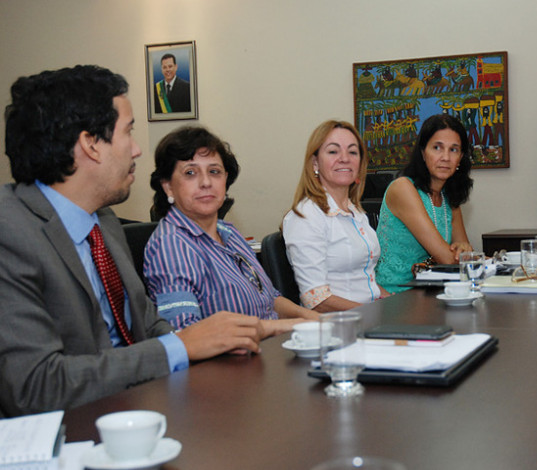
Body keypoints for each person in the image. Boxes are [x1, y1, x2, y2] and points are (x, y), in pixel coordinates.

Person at [0, 65, 266, 418]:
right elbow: (35, 387)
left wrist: (210, 345)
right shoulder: (10, 233)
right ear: (91, 144)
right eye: (128, 132)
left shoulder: (104, 221)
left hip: (141, 409)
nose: (138, 150)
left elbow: (147, 324)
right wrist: (181, 346)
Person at [144, 126, 318, 330]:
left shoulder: (228, 232)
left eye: (214, 172)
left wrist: (317, 319)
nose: (206, 182)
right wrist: (295, 326)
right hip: (237, 351)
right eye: (190, 173)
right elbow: (186, 333)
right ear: (168, 186)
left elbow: (270, 299)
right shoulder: (171, 245)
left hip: (273, 343)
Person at [282, 120, 389, 311]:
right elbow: (316, 300)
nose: (345, 158)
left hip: (367, 315)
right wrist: (374, 316)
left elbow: (365, 280)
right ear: (315, 163)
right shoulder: (306, 216)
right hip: (338, 323)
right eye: (333, 151)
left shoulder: (355, 212)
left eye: (353, 152)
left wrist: (395, 305)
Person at [375, 114, 474, 292]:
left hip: (433, 291)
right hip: (394, 294)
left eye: (454, 150)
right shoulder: (403, 188)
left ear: (461, 157)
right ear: (422, 152)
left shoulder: (449, 196)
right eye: (437, 147)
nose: (445, 157)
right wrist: (459, 255)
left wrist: (463, 249)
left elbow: (466, 258)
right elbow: (448, 259)